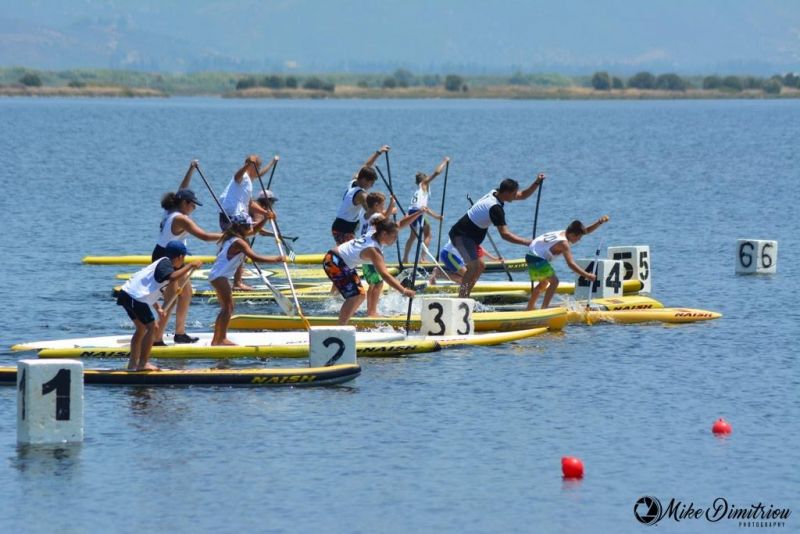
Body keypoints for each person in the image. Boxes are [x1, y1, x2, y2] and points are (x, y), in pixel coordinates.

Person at [152, 161, 222, 346]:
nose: (195, 208)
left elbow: (182, 188)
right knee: (171, 299)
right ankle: (157, 338)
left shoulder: (171, 208)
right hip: (165, 259)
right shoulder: (181, 219)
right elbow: (205, 237)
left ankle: (179, 334)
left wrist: (191, 169)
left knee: (187, 292)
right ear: (184, 203)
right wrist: (229, 235)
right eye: (193, 204)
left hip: (173, 256)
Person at [448, 175, 546, 297]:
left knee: (480, 266)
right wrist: (528, 242)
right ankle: (461, 298)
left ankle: (465, 294)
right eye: (513, 193)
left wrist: (536, 182)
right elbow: (505, 235)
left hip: (469, 237)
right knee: (473, 267)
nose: (516, 195)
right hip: (461, 236)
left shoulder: (496, 192)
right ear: (505, 192)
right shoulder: (495, 208)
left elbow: (523, 195)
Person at [116, 241, 202, 371]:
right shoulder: (165, 263)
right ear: (179, 257)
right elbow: (172, 277)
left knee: (141, 329)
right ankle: (143, 363)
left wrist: (158, 308)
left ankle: (133, 364)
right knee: (152, 328)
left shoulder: (162, 264)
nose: (183, 261)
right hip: (134, 297)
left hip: (127, 295)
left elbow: (147, 289)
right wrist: (190, 266)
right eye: (184, 258)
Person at [209, 214, 287, 346]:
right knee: (228, 308)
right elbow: (255, 257)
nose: (250, 228)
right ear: (241, 227)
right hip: (220, 277)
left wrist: (266, 218)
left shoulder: (234, 237)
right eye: (248, 225)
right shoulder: (238, 242)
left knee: (226, 308)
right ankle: (220, 339)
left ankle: (217, 340)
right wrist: (277, 259)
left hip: (217, 276)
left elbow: (254, 230)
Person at [323, 218, 416, 325]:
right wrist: (403, 290)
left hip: (341, 262)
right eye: (394, 236)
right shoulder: (374, 250)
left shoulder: (374, 232)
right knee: (355, 296)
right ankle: (340, 328)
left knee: (361, 295)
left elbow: (399, 224)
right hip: (333, 262)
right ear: (384, 234)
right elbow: (385, 275)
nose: (396, 239)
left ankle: (345, 320)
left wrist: (418, 214)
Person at [358, 192, 425, 317]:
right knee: (378, 283)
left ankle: (371, 312)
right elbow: (397, 225)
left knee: (373, 284)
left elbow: (387, 219)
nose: (383, 208)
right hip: (371, 254)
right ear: (376, 205)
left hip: (365, 254)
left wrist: (390, 208)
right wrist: (416, 213)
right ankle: (372, 313)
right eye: (382, 205)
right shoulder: (377, 216)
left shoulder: (364, 215)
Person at [219, 154, 278, 290]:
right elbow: (236, 176)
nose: (258, 169)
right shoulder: (243, 176)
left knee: (241, 245)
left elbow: (250, 202)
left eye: (258, 167)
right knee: (242, 245)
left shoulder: (249, 180)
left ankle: (234, 278)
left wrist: (266, 213)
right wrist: (247, 165)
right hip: (230, 216)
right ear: (250, 165)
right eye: (256, 166)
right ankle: (236, 282)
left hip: (236, 216)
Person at [526, 216, 609, 310]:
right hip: (536, 257)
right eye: (578, 238)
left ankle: (529, 309)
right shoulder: (563, 244)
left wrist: (599, 222)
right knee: (554, 282)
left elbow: (586, 231)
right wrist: (587, 275)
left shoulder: (564, 232)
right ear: (572, 234)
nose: (579, 240)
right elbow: (571, 264)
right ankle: (544, 309)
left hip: (531, 254)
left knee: (543, 284)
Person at [330, 145, 390, 245]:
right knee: (350, 257)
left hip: (342, 227)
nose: (371, 186)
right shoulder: (361, 195)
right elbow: (370, 213)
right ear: (364, 180)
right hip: (343, 230)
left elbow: (366, 166)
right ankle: (331, 259)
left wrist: (379, 152)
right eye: (371, 183)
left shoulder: (354, 181)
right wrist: (389, 210)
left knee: (348, 255)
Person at [401, 157, 449, 263]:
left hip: (411, 212)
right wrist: (445, 162)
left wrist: (437, 217)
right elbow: (437, 172)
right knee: (428, 235)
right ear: (424, 179)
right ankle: (422, 258)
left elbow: (425, 208)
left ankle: (405, 258)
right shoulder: (423, 184)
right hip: (418, 212)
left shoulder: (420, 191)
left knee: (412, 236)